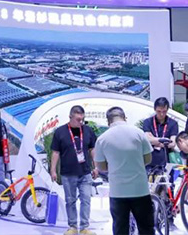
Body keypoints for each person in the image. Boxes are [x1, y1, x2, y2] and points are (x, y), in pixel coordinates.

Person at [95, 107, 154, 235]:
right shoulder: (138, 133)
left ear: (108, 121)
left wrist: (116, 166)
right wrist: (135, 164)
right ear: (124, 117)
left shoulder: (102, 139)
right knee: (146, 228)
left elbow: (101, 167)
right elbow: (148, 159)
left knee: (120, 229)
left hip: (118, 191)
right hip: (140, 189)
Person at [50, 105, 98, 235]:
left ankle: (84, 227)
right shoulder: (60, 132)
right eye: (78, 119)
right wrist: (53, 170)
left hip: (85, 172)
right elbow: (55, 152)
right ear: (70, 117)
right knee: (70, 201)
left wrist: (96, 166)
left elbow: (92, 150)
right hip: (68, 173)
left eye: (82, 119)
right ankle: (72, 226)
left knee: (86, 200)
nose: (80, 122)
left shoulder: (87, 131)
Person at [142, 97, 178, 170]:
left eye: (164, 111)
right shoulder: (147, 122)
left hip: (166, 162)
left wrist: (154, 140)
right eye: (159, 111)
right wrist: (164, 141)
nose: (161, 114)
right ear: (154, 109)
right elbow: (148, 139)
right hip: (150, 162)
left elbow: (172, 143)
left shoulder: (173, 123)